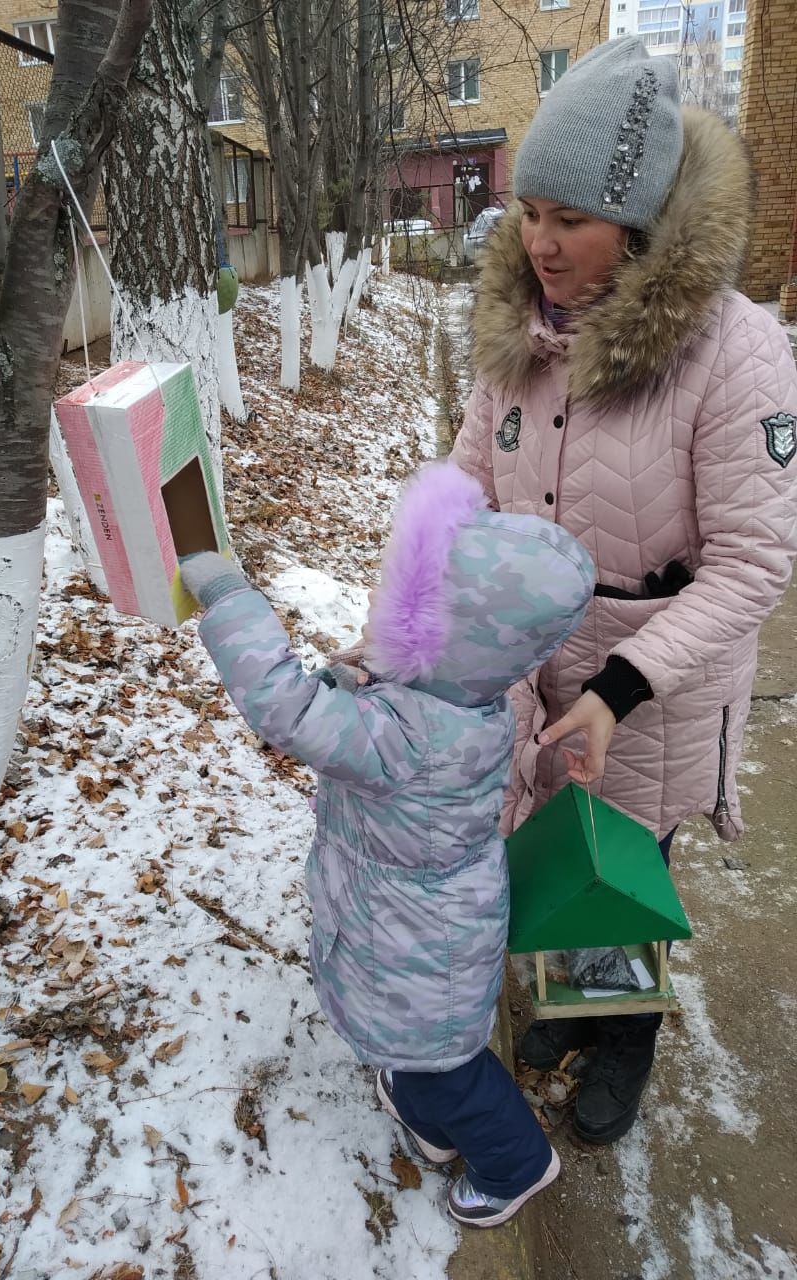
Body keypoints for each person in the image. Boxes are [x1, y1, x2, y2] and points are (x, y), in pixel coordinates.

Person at [452, 35, 797, 1145]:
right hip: (538, 661)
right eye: (530, 212)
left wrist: (616, 687)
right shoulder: (517, 333)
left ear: (637, 221)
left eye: (570, 219)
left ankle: (627, 1031)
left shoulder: (731, 350)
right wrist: (418, 609)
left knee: (627, 863)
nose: (541, 245)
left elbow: (755, 559)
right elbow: (467, 482)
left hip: (654, 676)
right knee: (558, 843)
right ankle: (573, 997)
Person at [180, 460, 595, 1227]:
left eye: (405, 602)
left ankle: (517, 1166)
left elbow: (288, 709)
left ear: (442, 633)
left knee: (446, 1071)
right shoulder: (465, 698)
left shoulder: (407, 735)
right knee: (424, 1059)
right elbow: (375, 702)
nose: (383, 610)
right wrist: (358, 678)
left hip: (413, 943)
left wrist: (232, 599)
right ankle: (434, 1130)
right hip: (422, 924)